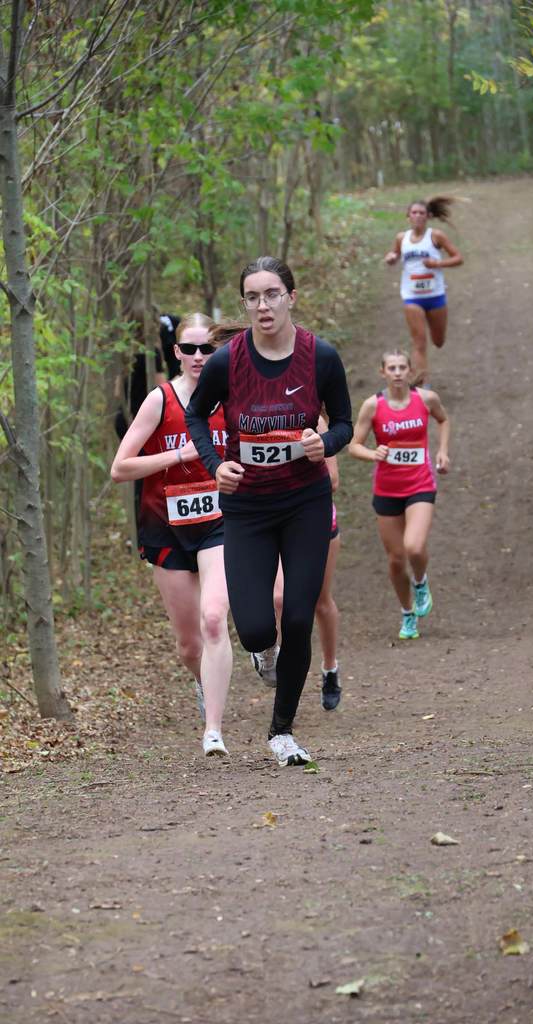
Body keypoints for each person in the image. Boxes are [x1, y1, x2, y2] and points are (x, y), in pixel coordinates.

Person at [185, 256, 352, 766]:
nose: (263, 305)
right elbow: (197, 414)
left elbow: (344, 422)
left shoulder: (319, 356)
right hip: (248, 508)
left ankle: (282, 732)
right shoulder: (226, 362)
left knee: (298, 617)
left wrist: (325, 443)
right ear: (245, 303)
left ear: (290, 297)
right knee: (257, 626)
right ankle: (263, 649)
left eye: (272, 294)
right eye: (253, 297)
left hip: (305, 501)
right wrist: (216, 464)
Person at [110, 312, 232, 757]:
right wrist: (176, 453)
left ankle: (213, 730)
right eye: (190, 349)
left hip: (221, 524)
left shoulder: (230, 395)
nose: (199, 357)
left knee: (215, 618)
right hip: (165, 527)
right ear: (176, 353)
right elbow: (120, 468)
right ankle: (203, 683)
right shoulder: (160, 401)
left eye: (207, 349)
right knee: (188, 644)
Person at [349, 348, 450, 640]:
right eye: (391, 368)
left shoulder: (425, 399)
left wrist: (442, 451)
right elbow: (354, 445)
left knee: (414, 547)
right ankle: (408, 614)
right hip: (387, 489)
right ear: (382, 372)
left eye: (401, 367)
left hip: (420, 483)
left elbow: (443, 420)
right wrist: (372, 453)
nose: (396, 372)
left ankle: (420, 582)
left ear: (409, 371)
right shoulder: (373, 406)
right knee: (395, 559)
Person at [259, 416, 342, 710]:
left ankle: (330, 669)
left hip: (313, 520)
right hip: (271, 520)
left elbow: (333, 479)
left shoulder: (315, 421)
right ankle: (283, 676)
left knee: (320, 601)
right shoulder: (254, 415)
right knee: (280, 598)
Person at [384, 197, 463, 385]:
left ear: (428, 216)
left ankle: (422, 382)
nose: (418, 216)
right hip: (412, 297)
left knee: (438, 341)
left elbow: (458, 258)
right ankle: (422, 386)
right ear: (408, 216)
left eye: (421, 213)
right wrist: (391, 257)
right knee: (419, 343)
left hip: (435, 296)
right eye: (414, 213)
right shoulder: (401, 238)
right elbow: (395, 254)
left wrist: (436, 263)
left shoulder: (436, 236)